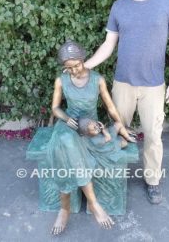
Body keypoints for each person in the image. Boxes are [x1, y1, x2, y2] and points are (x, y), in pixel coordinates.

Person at [84, 0, 169, 204]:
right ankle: (115, 177)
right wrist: (86, 66)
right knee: (118, 133)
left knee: (153, 137)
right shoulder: (119, 7)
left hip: (153, 85)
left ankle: (152, 180)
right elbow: (108, 44)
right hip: (123, 84)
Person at [44, 39, 134, 235]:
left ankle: (85, 205)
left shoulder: (97, 79)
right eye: (69, 68)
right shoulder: (61, 80)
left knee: (78, 147)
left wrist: (123, 128)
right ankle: (71, 207)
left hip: (89, 126)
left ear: (83, 59)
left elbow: (110, 107)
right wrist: (66, 118)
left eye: (77, 65)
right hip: (69, 126)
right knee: (66, 143)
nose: (75, 70)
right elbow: (55, 108)